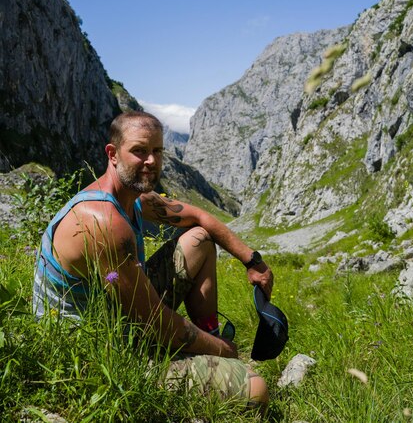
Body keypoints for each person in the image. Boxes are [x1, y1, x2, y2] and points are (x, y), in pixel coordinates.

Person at [33, 111, 274, 412]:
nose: (150, 161)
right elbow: (155, 323)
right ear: (113, 154)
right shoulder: (103, 221)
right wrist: (224, 350)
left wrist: (252, 260)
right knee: (256, 390)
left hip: (124, 314)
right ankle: (212, 351)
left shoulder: (133, 198)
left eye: (157, 151)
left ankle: (208, 334)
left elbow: (199, 217)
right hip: (93, 355)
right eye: (139, 151)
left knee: (199, 239)